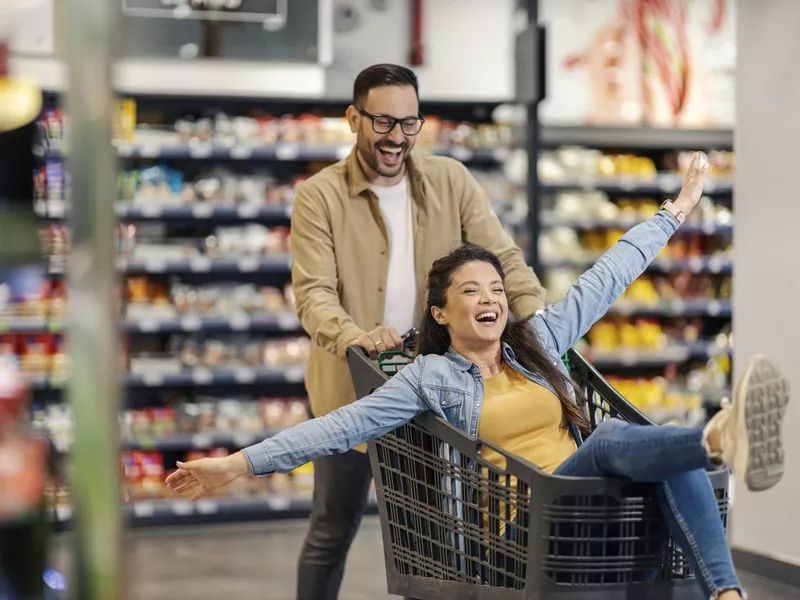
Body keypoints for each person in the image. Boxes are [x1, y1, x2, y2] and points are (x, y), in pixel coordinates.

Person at [167, 151, 789, 600]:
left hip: (586, 510)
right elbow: (336, 427)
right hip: (522, 530)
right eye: (471, 290)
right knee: (615, 442)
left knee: (660, 449)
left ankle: (726, 594)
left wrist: (676, 210)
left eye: (496, 287)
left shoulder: (538, 341)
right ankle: (715, 440)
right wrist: (234, 464)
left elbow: (608, 277)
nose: (490, 298)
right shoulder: (430, 378)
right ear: (440, 311)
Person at [251, 63, 549, 599]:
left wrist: (537, 321)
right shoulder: (318, 196)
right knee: (332, 529)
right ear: (353, 119)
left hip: (437, 392)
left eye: (409, 123)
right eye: (383, 122)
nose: (396, 138)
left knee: (433, 541)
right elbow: (314, 292)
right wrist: (351, 336)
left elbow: (502, 257)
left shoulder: (450, 180)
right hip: (349, 391)